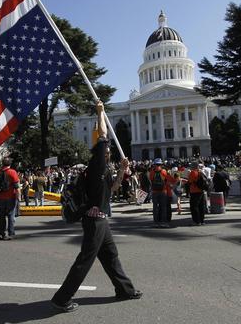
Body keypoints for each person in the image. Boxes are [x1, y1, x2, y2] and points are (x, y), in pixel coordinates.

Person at [51, 101, 141, 312]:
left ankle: (124, 290)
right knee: (85, 260)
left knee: (111, 256)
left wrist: (122, 169)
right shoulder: (96, 165)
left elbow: (114, 188)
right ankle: (62, 298)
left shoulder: (105, 171)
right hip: (94, 220)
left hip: (102, 219)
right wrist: (100, 113)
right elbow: (102, 135)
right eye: (107, 149)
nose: (108, 150)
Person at [0, 157, 20, 240]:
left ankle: (2, 234)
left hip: (1, 197)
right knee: (11, 215)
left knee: (2, 216)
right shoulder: (12, 172)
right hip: (11, 196)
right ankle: (10, 233)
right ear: (10, 164)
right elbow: (17, 186)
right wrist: (18, 197)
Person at [149, 158, 176, 228]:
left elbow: (151, 180)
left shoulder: (151, 172)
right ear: (161, 164)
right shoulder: (164, 171)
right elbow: (171, 180)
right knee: (163, 207)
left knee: (155, 207)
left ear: (154, 164)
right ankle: (163, 222)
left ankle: (156, 222)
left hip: (154, 191)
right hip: (163, 191)